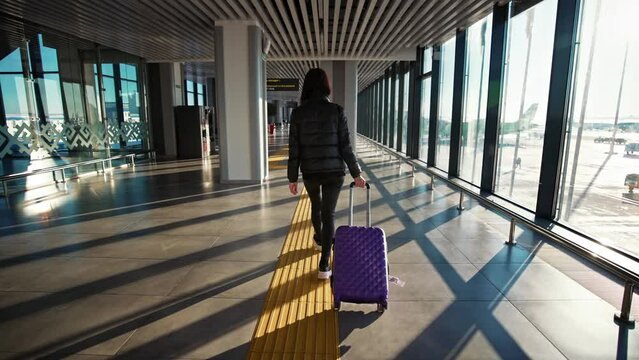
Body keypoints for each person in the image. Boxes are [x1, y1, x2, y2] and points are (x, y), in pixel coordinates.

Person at [287, 68, 366, 280]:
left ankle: (320, 240)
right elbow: (345, 146)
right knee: (328, 213)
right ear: (326, 86)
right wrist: (356, 173)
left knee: (316, 206)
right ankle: (324, 264)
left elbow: (294, 149)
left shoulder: (298, 113)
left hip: (311, 171)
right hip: (334, 172)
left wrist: (292, 177)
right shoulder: (337, 111)